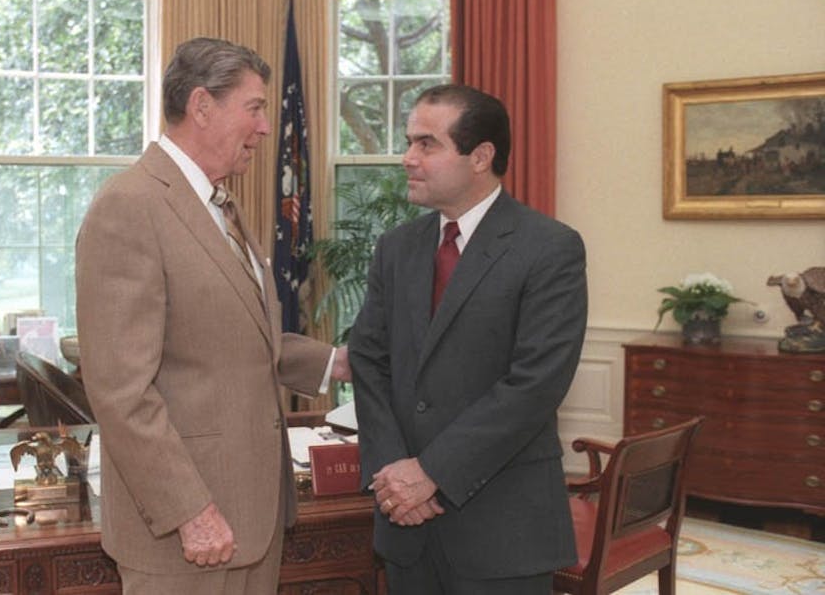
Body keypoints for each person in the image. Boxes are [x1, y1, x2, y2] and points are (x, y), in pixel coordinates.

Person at [76, 36, 351, 594]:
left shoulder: (219, 203)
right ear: (201, 105)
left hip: (251, 516)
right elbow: (120, 391)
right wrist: (190, 510)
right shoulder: (130, 206)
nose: (265, 128)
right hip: (188, 531)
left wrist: (337, 363)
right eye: (253, 108)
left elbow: (234, 334)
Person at [348, 84, 587, 594]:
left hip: (503, 528)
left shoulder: (549, 248)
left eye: (426, 144)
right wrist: (394, 473)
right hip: (405, 524)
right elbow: (369, 360)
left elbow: (535, 384)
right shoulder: (397, 248)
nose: (408, 158)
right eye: (409, 142)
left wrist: (432, 473)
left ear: (480, 157)